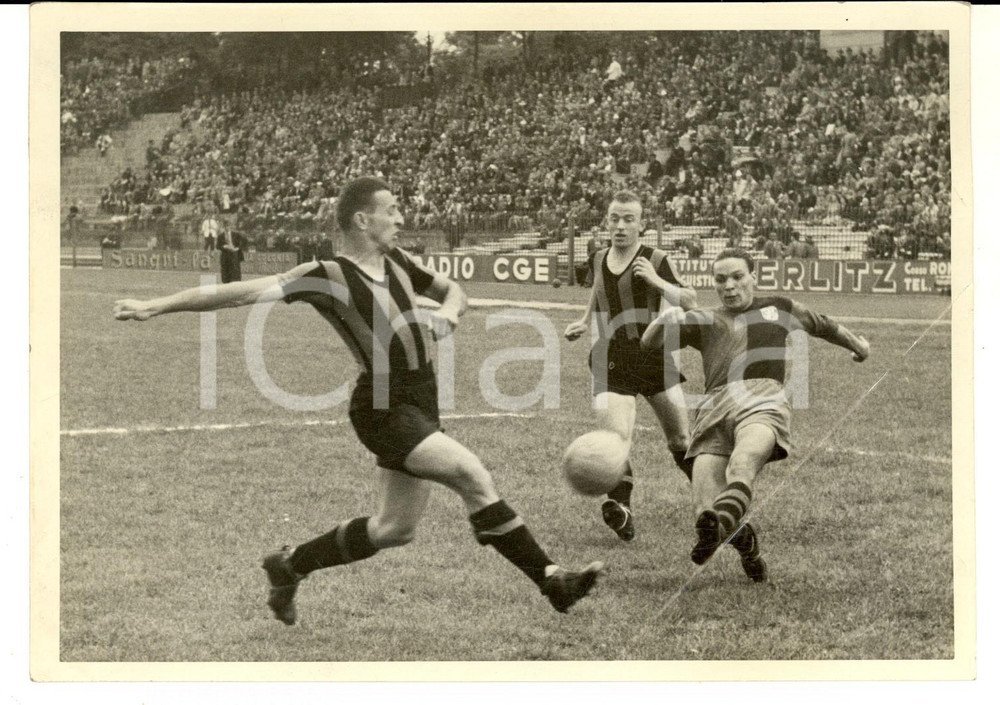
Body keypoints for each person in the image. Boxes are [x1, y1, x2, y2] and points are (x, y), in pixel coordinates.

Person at [113, 177, 603, 624]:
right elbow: (240, 293)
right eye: (392, 210)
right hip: (383, 406)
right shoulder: (328, 274)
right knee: (470, 474)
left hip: (422, 397)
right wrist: (157, 305)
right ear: (363, 220)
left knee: (393, 529)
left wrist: (450, 314)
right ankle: (551, 579)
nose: (402, 218)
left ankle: (289, 565)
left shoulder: (399, 261)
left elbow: (453, 290)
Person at [641, 248, 870, 582]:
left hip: (763, 399)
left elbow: (824, 326)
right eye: (721, 279)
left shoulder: (779, 308)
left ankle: (722, 528)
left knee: (742, 464)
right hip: (714, 408)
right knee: (705, 509)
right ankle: (745, 542)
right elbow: (649, 344)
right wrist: (662, 321)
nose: (729, 286)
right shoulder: (705, 318)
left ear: (753, 276)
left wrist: (859, 347)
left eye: (737, 277)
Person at [564, 191, 697, 542]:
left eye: (628, 219)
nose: (620, 226)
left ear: (641, 224)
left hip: (652, 353)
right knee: (616, 439)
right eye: (614, 219)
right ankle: (620, 508)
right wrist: (584, 320)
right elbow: (598, 288)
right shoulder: (598, 257)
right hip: (611, 356)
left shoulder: (656, 258)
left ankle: (713, 501)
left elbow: (690, 300)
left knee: (681, 439)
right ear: (606, 221)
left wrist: (655, 280)